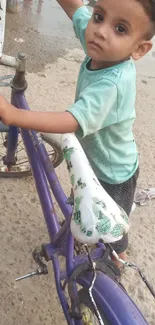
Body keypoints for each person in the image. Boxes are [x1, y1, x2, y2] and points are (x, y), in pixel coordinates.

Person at [0, 0, 154, 268]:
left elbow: (71, 120)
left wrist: (14, 116)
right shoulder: (103, 47)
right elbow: (75, 9)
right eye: (99, 16)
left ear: (139, 49)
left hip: (114, 175)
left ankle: (117, 265)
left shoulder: (113, 84)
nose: (101, 31)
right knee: (81, 198)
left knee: (112, 231)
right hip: (91, 159)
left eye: (120, 28)